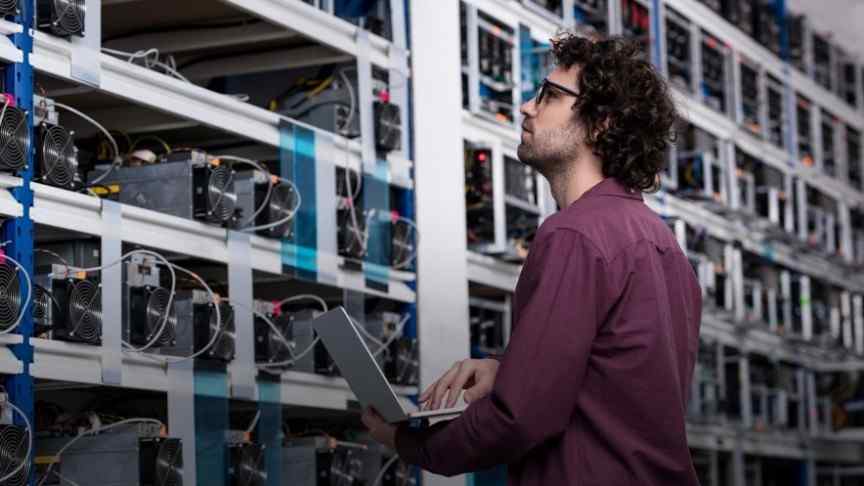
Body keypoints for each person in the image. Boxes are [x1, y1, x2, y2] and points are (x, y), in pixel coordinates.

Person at [362, 33, 701, 485]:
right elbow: (614, 375)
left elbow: (518, 417)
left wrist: (406, 441)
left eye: (550, 96)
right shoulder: (664, 246)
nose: (526, 106)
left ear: (601, 123)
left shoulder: (574, 235)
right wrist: (508, 369)